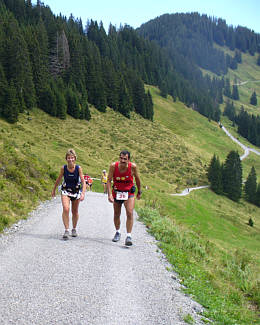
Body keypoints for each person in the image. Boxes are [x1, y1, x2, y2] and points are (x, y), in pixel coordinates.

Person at [107, 150, 141, 246]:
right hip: (117, 192)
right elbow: (109, 180)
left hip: (128, 192)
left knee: (129, 212)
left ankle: (129, 236)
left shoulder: (133, 167)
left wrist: (139, 191)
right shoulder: (113, 166)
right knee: (117, 214)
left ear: (128, 160)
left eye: (124, 159)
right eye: (121, 158)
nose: (122, 160)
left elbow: (137, 179)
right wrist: (109, 194)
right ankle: (117, 232)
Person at [51, 149, 86, 240]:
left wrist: (83, 193)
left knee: (75, 211)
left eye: (72, 158)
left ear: (75, 158)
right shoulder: (64, 168)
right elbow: (58, 179)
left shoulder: (78, 168)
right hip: (66, 190)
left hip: (76, 191)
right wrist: (54, 189)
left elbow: (83, 181)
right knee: (66, 208)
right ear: (66, 159)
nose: (70, 160)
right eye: (68, 158)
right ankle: (66, 230)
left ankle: (74, 229)